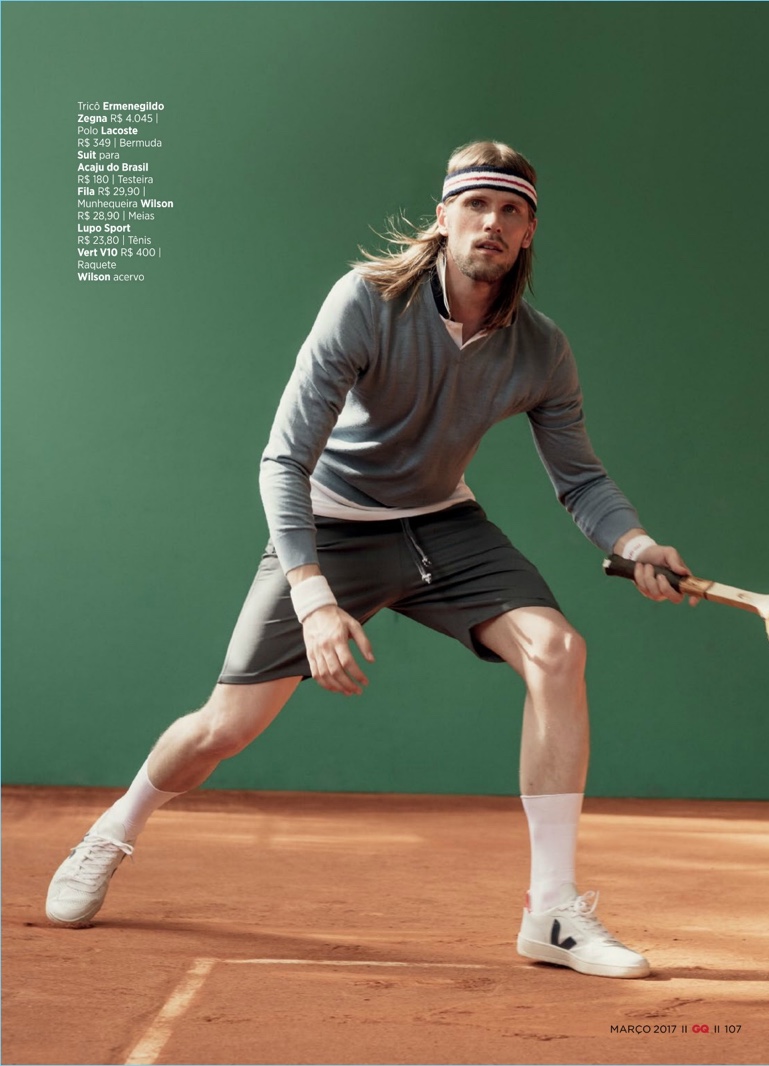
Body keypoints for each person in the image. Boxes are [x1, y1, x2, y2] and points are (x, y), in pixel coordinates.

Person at [46, 140, 692, 979]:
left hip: (444, 525)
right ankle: (113, 830)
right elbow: (283, 461)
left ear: (528, 234)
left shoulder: (540, 350)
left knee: (560, 651)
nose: (490, 223)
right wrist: (313, 597)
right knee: (225, 728)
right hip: (332, 525)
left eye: (510, 211)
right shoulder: (366, 303)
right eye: (476, 205)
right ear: (444, 218)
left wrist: (634, 543)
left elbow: (581, 481)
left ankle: (553, 914)